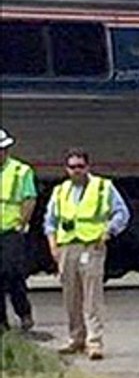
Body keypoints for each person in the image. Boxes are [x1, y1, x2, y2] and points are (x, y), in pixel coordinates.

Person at [44, 148, 130, 360]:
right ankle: (76, 338)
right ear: (66, 169)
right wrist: (53, 245)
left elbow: (122, 212)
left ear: (88, 167)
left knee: (92, 297)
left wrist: (108, 231)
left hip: (92, 246)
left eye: (80, 166)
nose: (76, 171)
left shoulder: (103, 187)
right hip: (67, 248)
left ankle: (94, 342)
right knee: (71, 297)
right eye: (72, 167)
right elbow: (50, 220)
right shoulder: (60, 191)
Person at [1, 128, 37, 333]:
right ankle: (1, 322)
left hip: (11, 231)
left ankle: (23, 312)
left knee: (12, 272)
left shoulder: (20, 171)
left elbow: (29, 198)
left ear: (6, 150)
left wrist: (22, 223)